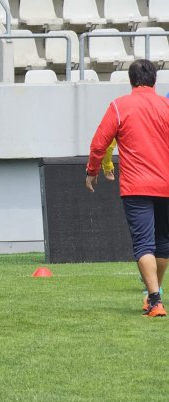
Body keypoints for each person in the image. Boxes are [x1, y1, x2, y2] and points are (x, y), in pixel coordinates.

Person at [85, 59, 169, 317]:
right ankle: (153, 295)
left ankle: (154, 300)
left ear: (131, 80)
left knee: (144, 243)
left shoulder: (120, 106)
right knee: (163, 243)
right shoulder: (166, 106)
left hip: (136, 186)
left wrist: (92, 171)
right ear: (154, 80)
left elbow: (100, 142)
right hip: (166, 184)